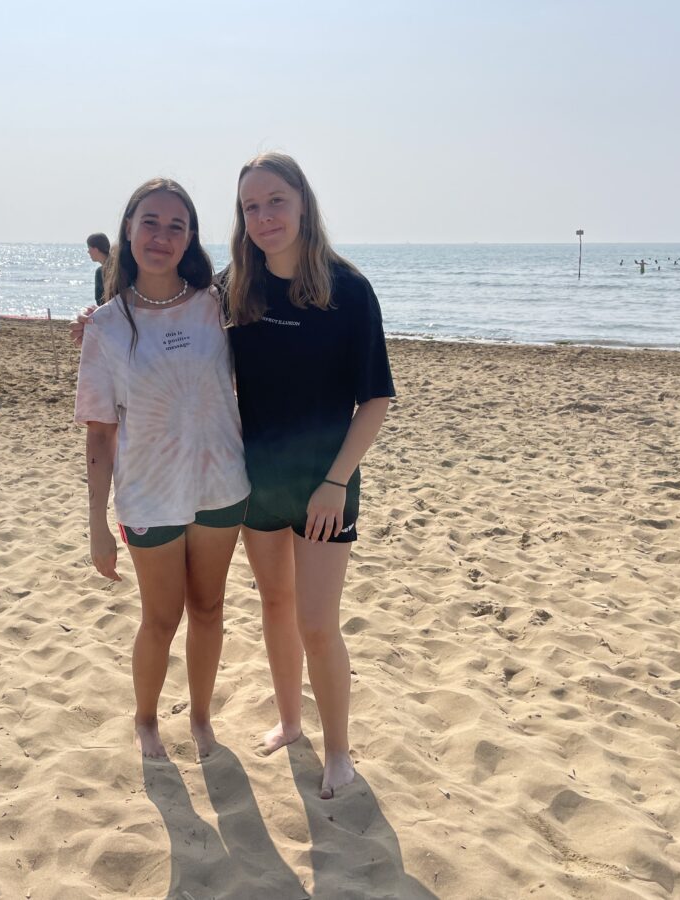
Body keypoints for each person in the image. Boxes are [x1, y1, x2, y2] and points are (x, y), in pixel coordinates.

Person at [224, 152, 395, 799]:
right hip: (255, 480)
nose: (264, 216)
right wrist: (100, 319)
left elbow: (374, 399)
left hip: (326, 485)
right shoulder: (235, 287)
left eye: (276, 201)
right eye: (251, 207)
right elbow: (164, 315)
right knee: (275, 604)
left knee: (318, 622)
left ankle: (339, 752)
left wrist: (335, 481)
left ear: (302, 204)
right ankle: (291, 722)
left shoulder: (347, 290)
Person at [74, 178, 249, 761]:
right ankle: (146, 719)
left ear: (191, 237)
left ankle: (200, 718)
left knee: (209, 609)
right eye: (150, 221)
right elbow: (100, 432)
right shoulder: (104, 326)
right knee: (160, 617)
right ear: (128, 228)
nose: (161, 236)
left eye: (177, 226)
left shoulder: (218, 305)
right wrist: (97, 524)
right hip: (148, 494)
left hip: (221, 485)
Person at [86, 233, 111, 303]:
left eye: (89, 248)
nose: (88, 251)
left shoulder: (100, 271)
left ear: (95, 249)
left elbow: (99, 301)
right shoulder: (119, 264)